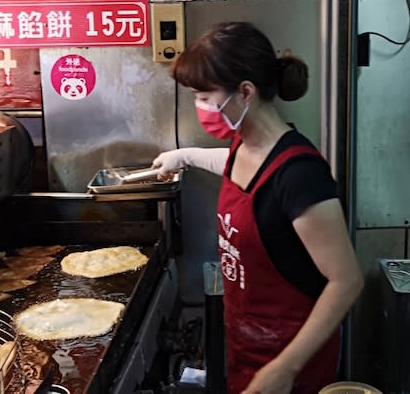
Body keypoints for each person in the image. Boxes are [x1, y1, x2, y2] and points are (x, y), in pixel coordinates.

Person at [151, 22, 364, 394]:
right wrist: (184, 156)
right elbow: (230, 164)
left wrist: (285, 368)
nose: (199, 106)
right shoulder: (244, 145)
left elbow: (346, 281)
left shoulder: (300, 175)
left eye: (204, 95)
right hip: (248, 346)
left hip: (292, 361)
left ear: (245, 92)